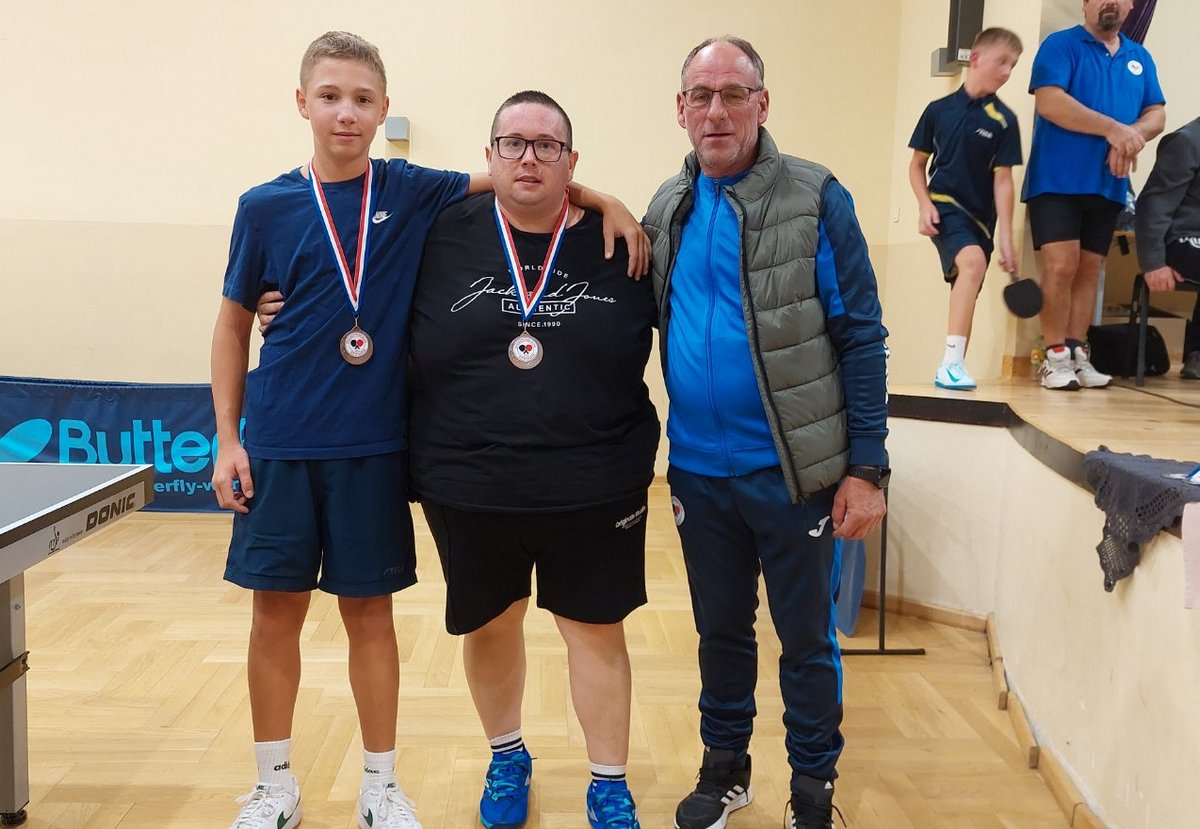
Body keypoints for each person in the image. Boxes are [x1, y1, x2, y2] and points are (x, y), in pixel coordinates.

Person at [211, 32, 646, 829]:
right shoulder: (267, 206)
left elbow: (528, 178)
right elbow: (233, 323)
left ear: (384, 109)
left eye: (362, 99)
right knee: (274, 615)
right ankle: (273, 784)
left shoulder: (410, 190)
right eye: (330, 96)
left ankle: (380, 785)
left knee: (370, 616)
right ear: (302, 102)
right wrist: (227, 438)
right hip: (281, 443)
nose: (346, 113)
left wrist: (604, 199)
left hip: (375, 447)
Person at [643, 36, 889, 829]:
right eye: (701, 95)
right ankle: (725, 770)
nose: (716, 111)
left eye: (733, 94)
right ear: (680, 108)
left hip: (796, 475)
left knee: (806, 640)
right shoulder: (667, 207)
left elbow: (862, 337)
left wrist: (867, 467)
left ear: (762, 103)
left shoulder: (817, 197)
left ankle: (813, 790)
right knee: (720, 631)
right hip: (697, 473)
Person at [406, 91, 658, 829]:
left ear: (572, 161)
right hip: (469, 479)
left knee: (596, 628)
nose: (529, 157)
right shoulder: (437, 232)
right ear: (488, 156)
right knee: (490, 623)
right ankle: (507, 754)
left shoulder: (623, 243)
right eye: (512, 143)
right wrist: (280, 303)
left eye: (547, 145)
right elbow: (356, 277)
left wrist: (603, 202)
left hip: (596, 480)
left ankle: (608, 783)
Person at [1023, 0, 1165, 391]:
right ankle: (1054, 357)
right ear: (1085, 3)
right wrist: (1113, 130)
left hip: (1108, 183)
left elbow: (1156, 114)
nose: (1110, 2)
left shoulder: (1139, 57)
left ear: (1131, 5)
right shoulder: (1060, 45)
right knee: (1061, 266)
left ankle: (1076, 353)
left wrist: (1131, 136)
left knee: (1089, 269)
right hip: (1057, 179)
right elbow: (1050, 102)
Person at [909, 27, 1024, 391]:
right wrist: (924, 204)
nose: (1007, 71)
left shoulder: (1004, 120)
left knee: (968, 280)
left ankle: (953, 365)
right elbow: (917, 165)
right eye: (1001, 61)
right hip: (945, 206)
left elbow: (1003, 181)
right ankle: (951, 365)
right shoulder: (938, 111)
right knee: (972, 263)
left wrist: (1006, 237)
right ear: (975, 58)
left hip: (982, 222)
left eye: (1013, 65)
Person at [1136, 116, 1200, 379]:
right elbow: (1154, 204)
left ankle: (1196, 352)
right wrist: (1153, 262)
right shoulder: (1187, 141)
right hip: (1182, 238)